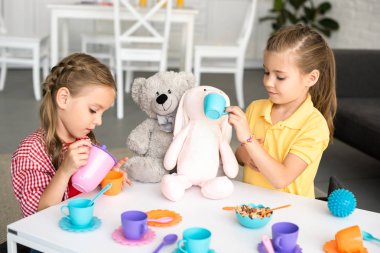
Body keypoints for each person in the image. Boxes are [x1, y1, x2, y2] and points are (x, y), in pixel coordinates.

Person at [11, 53, 131, 217]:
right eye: (93, 110)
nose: (99, 121)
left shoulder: (85, 141)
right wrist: (64, 171)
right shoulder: (31, 151)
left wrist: (107, 177)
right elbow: (36, 214)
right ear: (64, 99)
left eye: (102, 113)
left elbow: (86, 190)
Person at [226, 24, 337, 198]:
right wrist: (245, 155)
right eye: (266, 72)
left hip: (290, 214)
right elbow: (240, 156)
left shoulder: (314, 126)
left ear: (311, 78)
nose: (268, 82)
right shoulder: (256, 108)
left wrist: (248, 140)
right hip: (251, 206)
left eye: (280, 77)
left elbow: (281, 179)